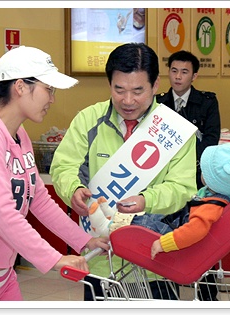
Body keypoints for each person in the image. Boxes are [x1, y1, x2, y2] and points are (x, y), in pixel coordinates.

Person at [0, 46, 109, 301]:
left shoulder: (19, 134)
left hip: (3, 278)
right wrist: (55, 258)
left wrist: (84, 241)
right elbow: (2, 214)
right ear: (21, 87)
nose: (52, 99)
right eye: (48, 89)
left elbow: (38, 199)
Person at [50, 43, 198, 300]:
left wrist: (146, 200)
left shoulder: (174, 131)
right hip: (101, 259)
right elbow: (63, 166)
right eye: (119, 89)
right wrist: (72, 190)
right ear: (109, 85)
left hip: (154, 260)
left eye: (138, 90)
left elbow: (182, 187)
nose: (128, 100)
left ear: (155, 86)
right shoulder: (88, 119)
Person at [89, 143, 230, 259]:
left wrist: (164, 243)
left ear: (217, 180)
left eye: (206, 171)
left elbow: (195, 230)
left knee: (142, 225)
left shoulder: (211, 206)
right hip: (173, 222)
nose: (201, 174)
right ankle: (114, 215)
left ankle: (106, 227)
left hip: (171, 232)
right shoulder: (222, 196)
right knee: (148, 217)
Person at [156, 50, 221, 190]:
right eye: (174, 71)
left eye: (184, 72)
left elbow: (211, 140)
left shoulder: (207, 102)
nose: (178, 77)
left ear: (194, 76)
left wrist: (188, 162)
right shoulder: (157, 103)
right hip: (164, 172)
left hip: (195, 171)